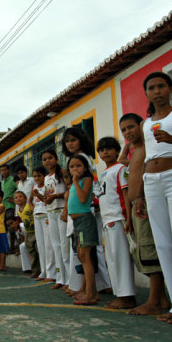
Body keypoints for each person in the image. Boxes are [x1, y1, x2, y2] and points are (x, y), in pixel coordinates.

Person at [138, 71, 172, 325]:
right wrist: (142, 196)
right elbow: (146, 158)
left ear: (169, 89)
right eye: (152, 87)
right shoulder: (146, 124)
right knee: (163, 246)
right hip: (151, 183)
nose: (157, 91)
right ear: (147, 93)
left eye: (161, 86)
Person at [119, 113, 170, 316]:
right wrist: (127, 144)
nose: (128, 132)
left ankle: (154, 300)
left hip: (144, 202)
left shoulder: (148, 146)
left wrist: (140, 197)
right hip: (135, 206)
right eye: (123, 130)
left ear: (142, 126)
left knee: (149, 250)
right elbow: (122, 159)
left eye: (131, 127)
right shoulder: (134, 150)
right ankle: (163, 297)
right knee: (143, 250)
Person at [61, 127, 112, 297]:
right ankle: (90, 285)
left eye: (73, 140)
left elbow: (90, 186)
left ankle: (87, 287)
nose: (70, 144)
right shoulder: (85, 158)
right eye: (67, 141)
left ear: (81, 140)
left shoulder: (82, 160)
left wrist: (94, 199)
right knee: (86, 250)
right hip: (86, 207)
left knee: (84, 251)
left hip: (87, 209)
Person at [96, 136, 136, 309]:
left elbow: (125, 194)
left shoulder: (121, 169)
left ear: (116, 151)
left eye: (109, 148)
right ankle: (119, 293)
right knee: (111, 259)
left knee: (121, 258)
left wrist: (128, 217)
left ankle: (127, 296)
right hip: (107, 219)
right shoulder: (104, 172)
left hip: (118, 218)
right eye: (101, 149)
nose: (105, 152)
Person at [66, 155, 100, 306]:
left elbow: (82, 199)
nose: (75, 169)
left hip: (85, 220)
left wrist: (74, 182)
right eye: (72, 167)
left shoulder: (86, 180)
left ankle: (92, 294)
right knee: (81, 255)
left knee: (85, 256)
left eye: (78, 166)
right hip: (77, 222)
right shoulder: (75, 183)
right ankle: (88, 291)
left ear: (85, 168)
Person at [41, 149, 67, 290]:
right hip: (51, 212)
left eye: (50, 158)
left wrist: (56, 196)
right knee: (55, 245)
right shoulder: (46, 178)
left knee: (64, 245)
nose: (48, 161)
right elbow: (48, 196)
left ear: (56, 158)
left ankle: (69, 279)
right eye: (44, 159)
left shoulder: (62, 173)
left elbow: (69, 190)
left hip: (62, 210)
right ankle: (60, 277)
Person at [30, 166, 55, 282]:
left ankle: (51, 272)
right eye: (35, 176)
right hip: (37, 216)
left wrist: (38, 195)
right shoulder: (34, 187)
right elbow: (30, 200)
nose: (37, 178)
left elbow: (46, 199)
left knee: (48, 244)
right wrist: (32, 208)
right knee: (40, 245)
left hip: (46, 215)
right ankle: (43, 271)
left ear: (44, 176)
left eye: (39, 176)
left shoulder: (47, 185)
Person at [15, 191, 40, 278]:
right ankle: (35, 270)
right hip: (28, 233)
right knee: (31, 252)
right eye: (16, 197)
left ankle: (42, 270)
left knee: (38, 250)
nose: (18, 198)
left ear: (25, 198)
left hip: (35, 231)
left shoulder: (28, 205)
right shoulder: (18, 211)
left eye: (20, 196)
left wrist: (31, 198)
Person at [0, 164, 19, 254]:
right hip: (4, 207)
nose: (3, 172)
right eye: (2, 170)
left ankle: (13, 248)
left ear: (8, 170)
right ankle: (9, 247)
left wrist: (14, 199)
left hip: (11, 206)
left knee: (13, 227)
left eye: (5, 170)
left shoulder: (12, 179)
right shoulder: (2, 182)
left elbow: (19, 189)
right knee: (6, 228)